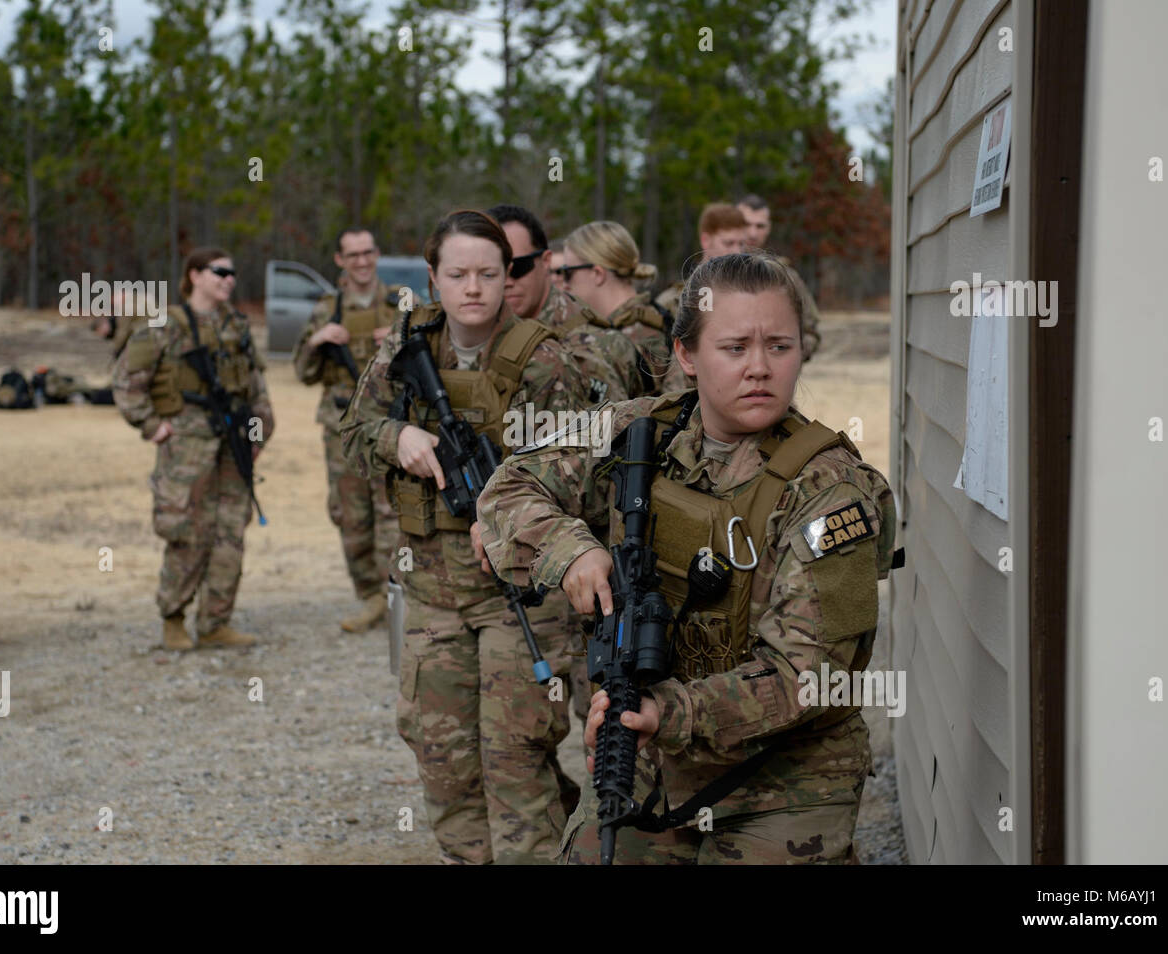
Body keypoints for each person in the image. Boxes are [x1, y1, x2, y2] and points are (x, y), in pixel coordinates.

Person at [478, 251, 896, 865]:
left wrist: (667, 712)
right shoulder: (638, 434)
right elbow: (508, 487)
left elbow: (809, 678)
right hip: (655, 755)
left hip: (786, 777)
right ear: (686, 355)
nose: (760, 368)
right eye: (734, 348)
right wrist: (570, 552)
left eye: (779, 346)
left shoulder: (828, 491)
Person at [338, 209, 587, 864]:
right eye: (457, 274)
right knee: (440, 754)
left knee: (513, 758)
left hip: (521, 593)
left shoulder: (546, 358)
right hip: (431, 591)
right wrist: (400, 439)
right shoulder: (403, 348)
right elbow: (353, 435)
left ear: (510, 276)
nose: (472, 288)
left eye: (487, 273)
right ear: (432, 278)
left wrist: (512, 516)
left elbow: (584, 467)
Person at [113, 247, 275, 651]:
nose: (228, 280)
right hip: (187, 450)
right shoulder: (164, 325)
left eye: (232, 273)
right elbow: (125, 381)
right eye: (220, 272)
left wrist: (257, 434)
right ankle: (173, 617)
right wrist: (151, 425)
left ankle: (216, 622)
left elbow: (257, 389)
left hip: (232, 446)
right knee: (187, 533)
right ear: (194, 275)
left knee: (230, 534)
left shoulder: (236, 326)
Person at [294, 227, 417, 633]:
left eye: (368, 252)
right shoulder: (328, 308)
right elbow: (303, 373)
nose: (362, 261)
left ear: (377, 254)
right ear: (339, 260)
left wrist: (403, 340)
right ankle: (369, 596)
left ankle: (399, 594)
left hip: (393, 423)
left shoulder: (401, 302)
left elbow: (435, 360)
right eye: (353, 255)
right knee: (351, 514)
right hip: (343, 428)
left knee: (394, 511)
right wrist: (317, 341)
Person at [487, 203, 642, 404]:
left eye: (518, 267)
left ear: (545, 261)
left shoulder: (596, 347)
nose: (506, 281)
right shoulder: (474, 336)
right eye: (491, 271)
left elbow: (609, 432)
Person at [559, 220, 674, 393]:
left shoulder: (634, 335)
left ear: (597, 274)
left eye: (568, 273)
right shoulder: (655, 316)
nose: (564, 284)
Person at [736, 194, 822, 360]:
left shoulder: (786, 277)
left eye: (760, 226)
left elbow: (811, 332)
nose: (753, 233)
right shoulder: (712, 275)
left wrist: (783, 356)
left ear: (768, 228)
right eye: (746, 224)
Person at [653, 202, 748, 319]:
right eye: (728, 243)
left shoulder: (753, 294)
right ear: (706, 240)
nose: (737, 252)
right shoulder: (672, 302)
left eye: (741, 244)